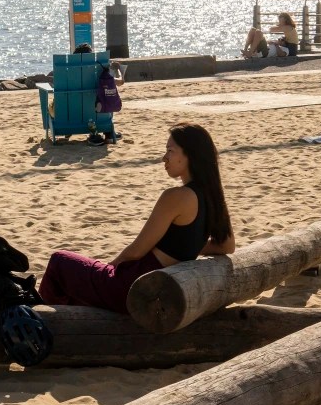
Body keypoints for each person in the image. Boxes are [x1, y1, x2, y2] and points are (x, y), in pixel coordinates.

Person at [38, 122, 235, 314]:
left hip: (135, 288)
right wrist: (187, 247)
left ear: (190, 155)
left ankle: (43, 319)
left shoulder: (177, 197)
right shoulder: (212, 196)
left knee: (59, 261)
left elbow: (135, 252)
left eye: (170, 151)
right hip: (158, 287)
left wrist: (109, 268)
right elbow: (227, 246)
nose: (164, 158)